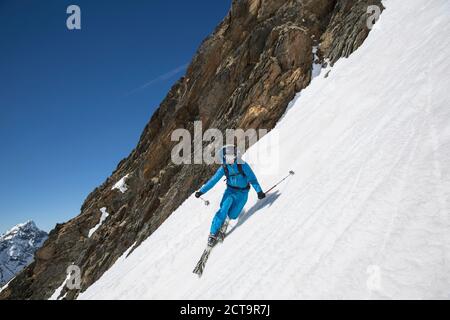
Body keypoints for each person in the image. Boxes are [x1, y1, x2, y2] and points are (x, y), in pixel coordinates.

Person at [195, 144, 265, 247]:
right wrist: (201, 191)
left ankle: (226, 220)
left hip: (243, 193)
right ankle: (213, 233)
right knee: (224, 208)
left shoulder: (242, 165)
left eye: (232, 156)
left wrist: (259, 191)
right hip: (230, 191)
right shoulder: (224, 168)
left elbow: (252, 178)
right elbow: (213, 180)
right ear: (224, 157)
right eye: (228, 157)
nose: (230, 159)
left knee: (233, 215)